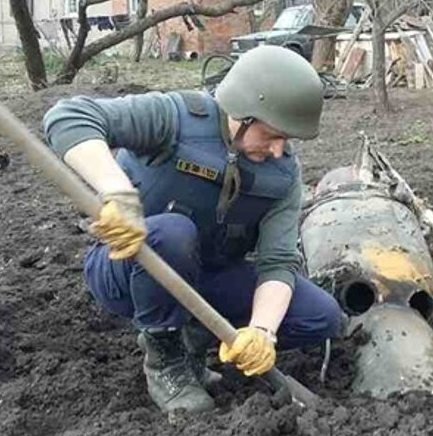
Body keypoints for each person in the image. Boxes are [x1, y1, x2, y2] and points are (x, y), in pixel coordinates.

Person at [42, 46, 345, 413]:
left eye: (288, 140)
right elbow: (70, 116)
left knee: (321, 315)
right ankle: (165, 360)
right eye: (272, 135)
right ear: (243, 113)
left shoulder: (282, 176)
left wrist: (262, 332)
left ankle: (193, 343)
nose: (279, 150)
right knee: (172, 232)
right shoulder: (176, 119)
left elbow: (278, 262)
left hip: (205, 277)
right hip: (126, 267)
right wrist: (116, 192)